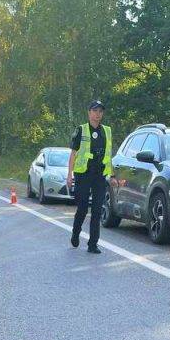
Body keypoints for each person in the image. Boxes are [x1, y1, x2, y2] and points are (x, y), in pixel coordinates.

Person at [66, 100, 114, 254]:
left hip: (100, 175)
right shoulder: (81, 130)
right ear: (89, 112)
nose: (97, 114)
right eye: (94, 111)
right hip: (83, 174)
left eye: (100, 111)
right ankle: (75, 233)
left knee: (97, 210)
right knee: (82, 208)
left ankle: (93, 244)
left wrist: (111, 175)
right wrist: (69, 174)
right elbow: (73, 154)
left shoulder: (107, 131)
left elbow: (109, 154)